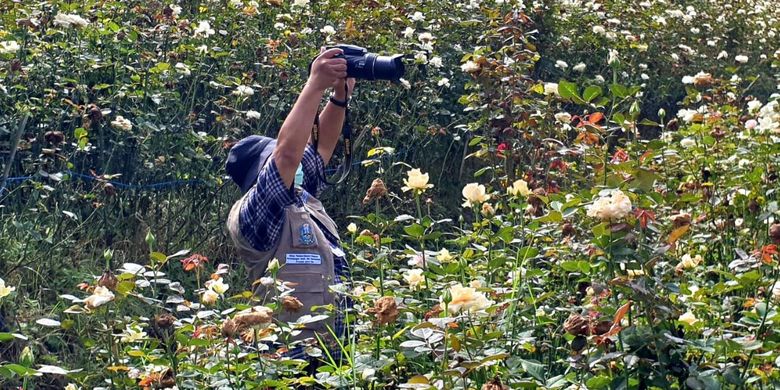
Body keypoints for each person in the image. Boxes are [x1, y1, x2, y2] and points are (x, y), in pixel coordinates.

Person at [225, 47, 355, 363]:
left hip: (333, 361)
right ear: (261, 172)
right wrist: (315, 85)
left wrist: (340, 96)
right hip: (286, 365)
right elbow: (286, 155)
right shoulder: (255, 213)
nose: (298, 161)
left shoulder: (303, 200)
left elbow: (322, 146)